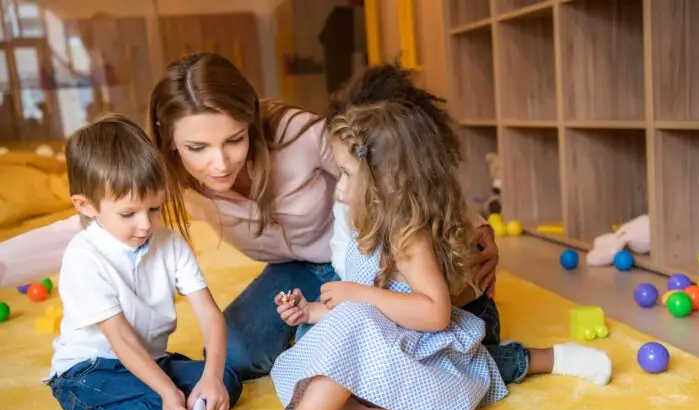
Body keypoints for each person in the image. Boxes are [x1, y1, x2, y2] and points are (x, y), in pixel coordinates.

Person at [0, 53, 501, 382]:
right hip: (294, 272)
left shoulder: (301, 137)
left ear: (251, 123)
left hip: (368, 264)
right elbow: (86, 229)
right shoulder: (164, 178)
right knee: (234, 359)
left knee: (340, 353)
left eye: (234, 140)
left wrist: (475, 226)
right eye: (197, 147)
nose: (219, 164)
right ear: (170, 140)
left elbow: (394, 174)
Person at [228, 100, 509, 410]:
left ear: (386, 180)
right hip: (386, 341)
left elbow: (434, 313)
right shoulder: (373, 223)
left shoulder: (409, 236)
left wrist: (357, 295)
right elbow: (366, 311)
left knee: (345, 335)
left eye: (345, 174)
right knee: (308, 358)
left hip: (421, 353)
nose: (338, 186)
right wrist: (309, 312)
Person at [312, 63, 615, 386]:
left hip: (460, 319)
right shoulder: (351, 201)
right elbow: (350, 271)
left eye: (347, 173)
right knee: (330, 344)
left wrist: (477, 237)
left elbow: (438, 306)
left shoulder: (420, 208)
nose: (340, 187)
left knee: (447, 371)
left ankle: (542, 358)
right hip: (392, 318)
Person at [0, 114, 242, 410]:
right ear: (86, 206)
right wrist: (168, 394)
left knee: (227, 380)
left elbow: (209, 313)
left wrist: (211, 374)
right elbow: (120, 340)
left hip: (146, 362)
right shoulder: (84, 256)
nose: (145, 224)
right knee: (153, 405)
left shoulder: (170, 243)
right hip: (85, 375)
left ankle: (157, 399)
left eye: (154, 208)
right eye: (128, 213)